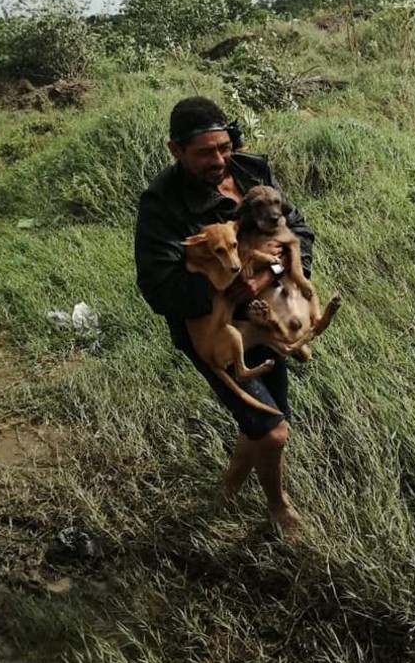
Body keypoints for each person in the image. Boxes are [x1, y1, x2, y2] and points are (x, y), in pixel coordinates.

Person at [134, 96, 314, 539]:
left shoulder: (252, 171)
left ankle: (228, 490)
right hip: (214, 330)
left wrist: (272, 272)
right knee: (272, 431)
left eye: (224, 146)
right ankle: (279, 507)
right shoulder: (162, 206)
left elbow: (299, 232)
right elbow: (159, 289)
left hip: (266, 316)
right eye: (204, 153)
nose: (219, 159)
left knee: (264, 421)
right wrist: (231, 283)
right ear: (176, 151)